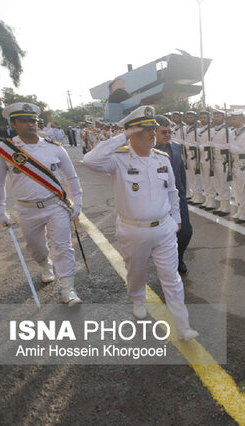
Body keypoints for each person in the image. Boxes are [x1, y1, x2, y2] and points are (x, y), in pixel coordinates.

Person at [83, 105, 197, 340]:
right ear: (132, 132)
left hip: (164, 228)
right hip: (132, 230)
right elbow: (89, 160)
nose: (152, 134)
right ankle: (137, 299)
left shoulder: (162, 159)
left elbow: (173, 192)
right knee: (136, 272)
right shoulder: (118, 160)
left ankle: (182, 325)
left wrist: (176, 220)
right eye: (145, 130)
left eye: (154, 129)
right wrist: (122, 136)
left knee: (171, 278)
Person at [0, 102, 83, 305]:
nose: (31, 124)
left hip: (54, 205)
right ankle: (44, 264)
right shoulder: (3, 151)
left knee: (63, 246)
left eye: (33, 120)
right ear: (14, 123)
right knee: (36, 247)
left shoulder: (54, 149)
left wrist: (78, 203)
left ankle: (68, 289)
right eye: (24, 120)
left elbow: (72, 177)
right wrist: (0, 212)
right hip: (26, 209)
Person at [154, 115, 192, 274]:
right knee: (163, 234)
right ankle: (166, 262)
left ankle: (179, 257)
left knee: (185, 231)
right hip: (157, 199)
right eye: (163, 132)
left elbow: (181, 173)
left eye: (169, 131)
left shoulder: (176, 147)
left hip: (177, 197)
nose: (167, 135)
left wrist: (183, 193)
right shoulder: (147, 150)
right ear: (154, 132)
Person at [229, 110, 245, 223]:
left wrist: (233, 148)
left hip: (243, 163)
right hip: (234, 162)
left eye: (235, 119)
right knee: (236, 188)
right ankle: (239, 208)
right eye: (232, 119)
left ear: (242, 119)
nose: (233, 121)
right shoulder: (233, 132)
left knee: (243, 189)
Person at [210, 109, 231, 216]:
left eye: (218, 116)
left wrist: (215, 146)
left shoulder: (226, 130)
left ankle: (226, 206)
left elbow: (228, 146)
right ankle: (222, 205)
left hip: (223, 161)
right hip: (214, 159)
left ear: (223, 118)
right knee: (217, 184)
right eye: (215, 116)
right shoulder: (214, 130)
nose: (216, 118)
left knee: (223, 184)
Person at [184, 111, 203, 204]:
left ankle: (198, 196)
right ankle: (194, 194)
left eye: (191, 117)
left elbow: (199, 144)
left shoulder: (198, 130)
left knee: (196, 176)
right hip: (187, 153)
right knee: (190, 176)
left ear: (195, 119)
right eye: (188, 117)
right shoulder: (186, 129)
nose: (189, 119)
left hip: (194, 154)